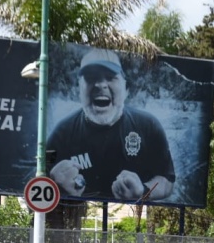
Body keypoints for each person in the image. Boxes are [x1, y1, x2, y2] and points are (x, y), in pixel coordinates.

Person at [47, 48, 176, 203]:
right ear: (78, 90)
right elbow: (38, 182)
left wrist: (143, 191)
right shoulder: (61, 133)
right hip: (80, 214)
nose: (100, 85)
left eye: (110, 77)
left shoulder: (149, 126)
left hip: (129, 214)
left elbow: (167, 180)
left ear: (126, 89)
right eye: (91, 78)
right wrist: (54, 185)